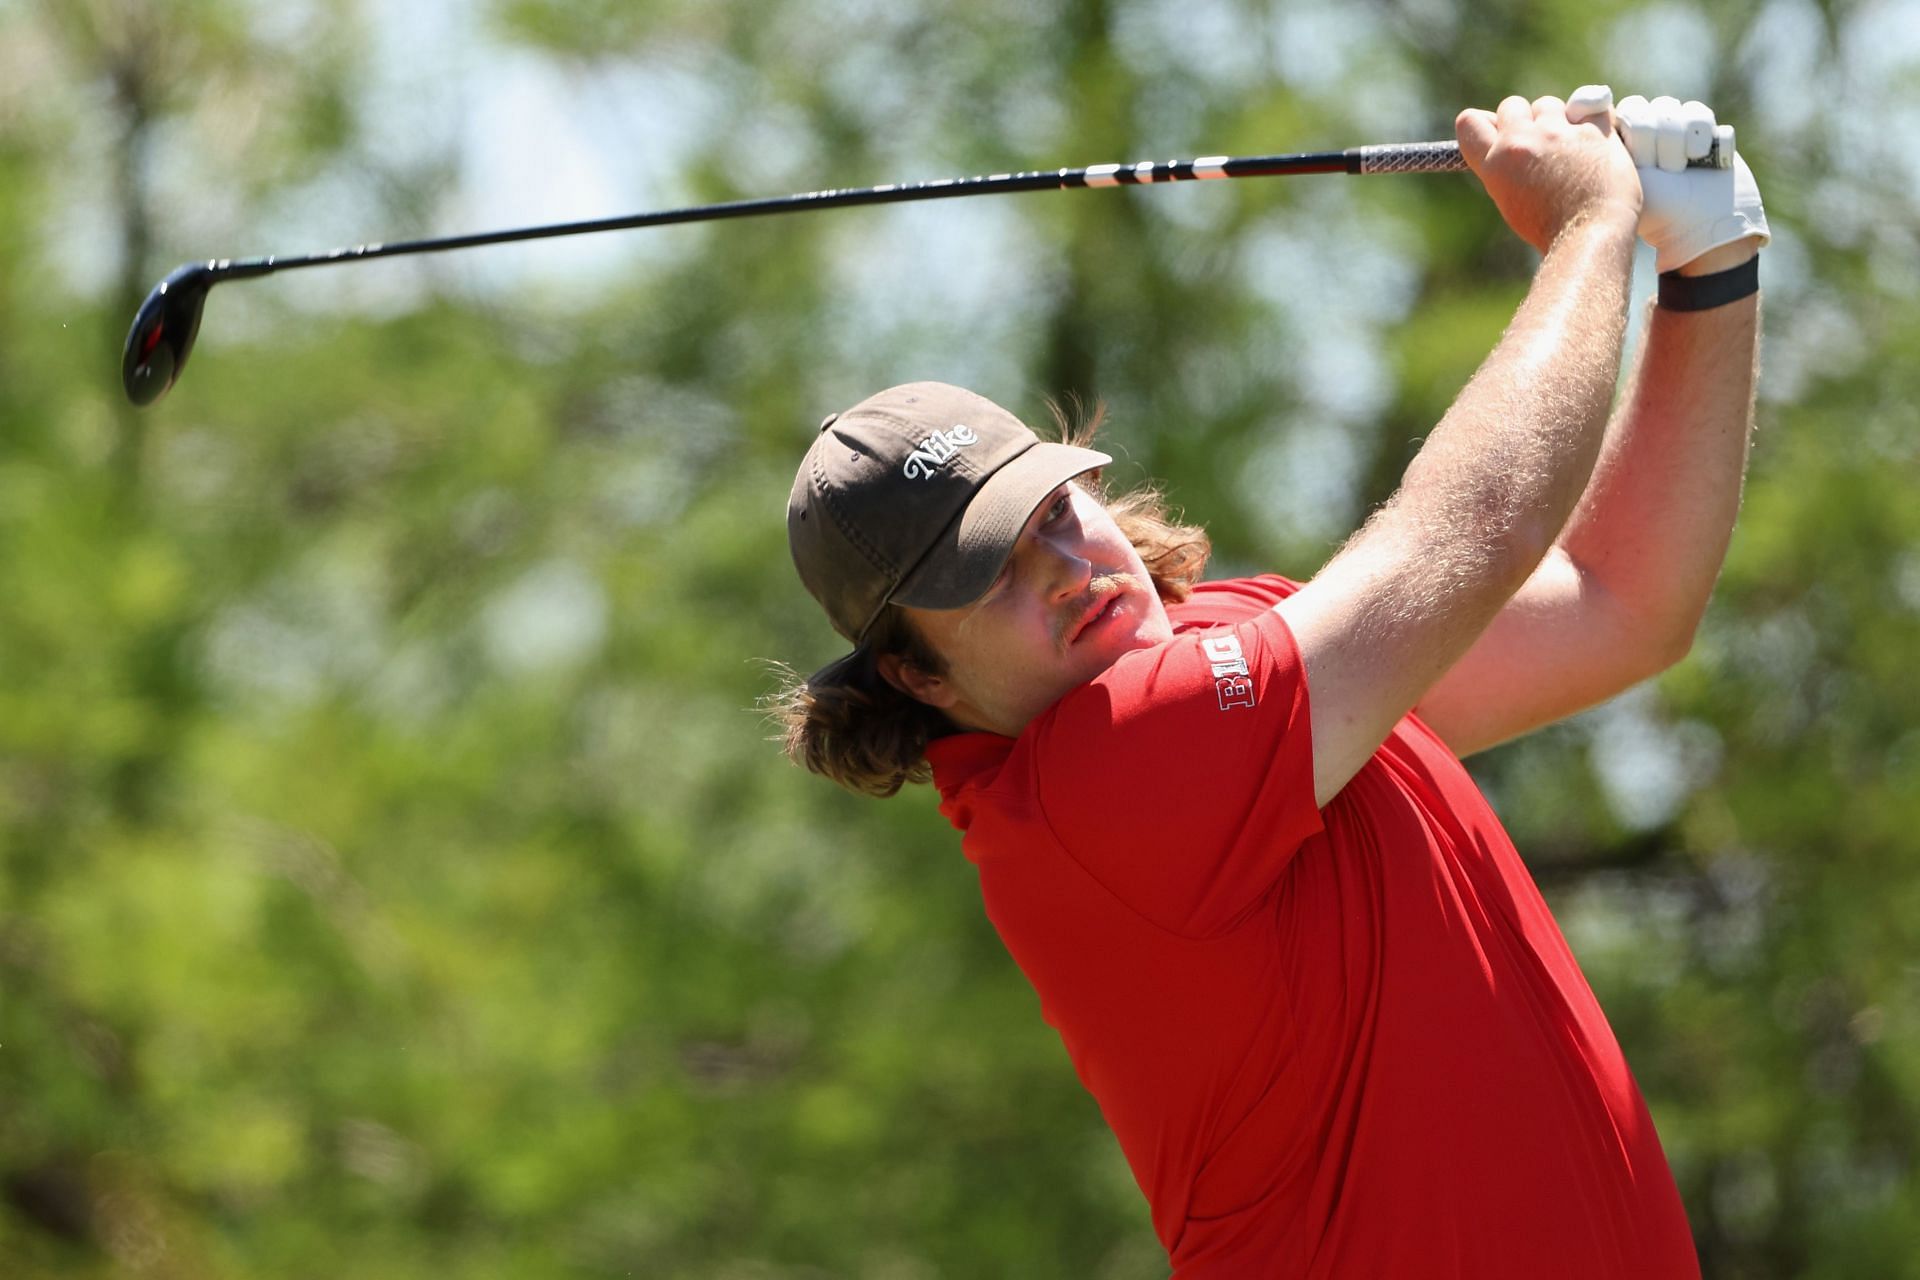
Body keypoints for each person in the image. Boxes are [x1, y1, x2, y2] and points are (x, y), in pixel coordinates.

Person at [774, 85, 1766, 1278]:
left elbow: (1620, 606)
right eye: (988, 571)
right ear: (913, 675)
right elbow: (1476, 528)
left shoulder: (1250, 649)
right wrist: (1591, 227)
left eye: (1055, 508)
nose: (1065, 567)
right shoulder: (1098, 784)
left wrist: (1706, 270)